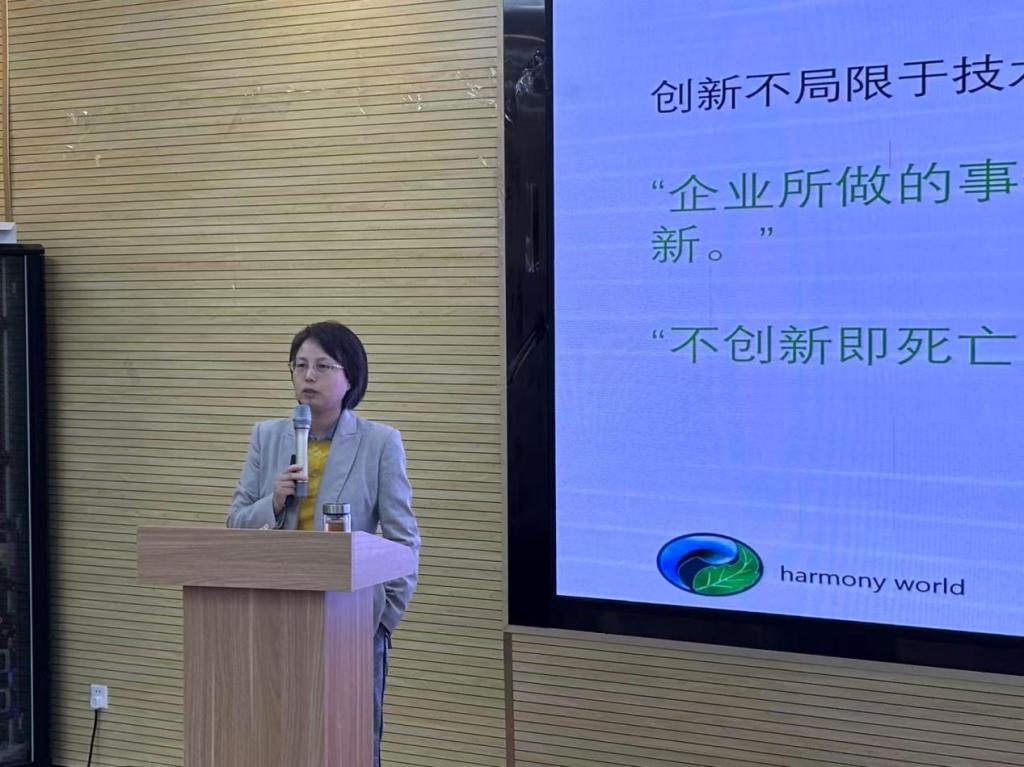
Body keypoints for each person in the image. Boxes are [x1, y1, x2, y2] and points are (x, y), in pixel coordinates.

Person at [227, 320, 420, 767]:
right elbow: (236, 523)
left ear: (350, 377)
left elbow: (403, 541)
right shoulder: (267, 437)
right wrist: (273, 502)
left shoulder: (380, 443)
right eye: (299, 366)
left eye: (322, 366)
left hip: (350, 618)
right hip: (274, 615)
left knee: (347, 744)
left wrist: (382, 619)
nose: (308, 376)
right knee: (279, 741)